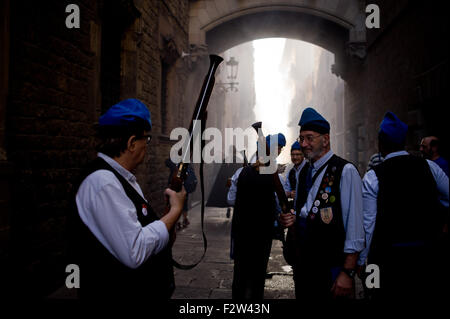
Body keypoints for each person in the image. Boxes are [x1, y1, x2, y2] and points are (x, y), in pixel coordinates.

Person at [69, 98, 186, 300]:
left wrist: (167, 221)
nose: (147, 146)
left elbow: (141, 231)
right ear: (132, 143)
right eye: (146, 140)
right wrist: (176, 211)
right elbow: (135, 250)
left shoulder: (122, 178)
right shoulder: (103, 182)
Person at [357, 112, 449, 301]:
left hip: (386, 261)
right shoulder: (430, 167)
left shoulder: (373, 177)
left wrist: (360, 262)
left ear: (380, 143)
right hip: (427, 257)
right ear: (404, 142)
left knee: (380, 294)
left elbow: (368, 225)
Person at [280, 107, 365, 300]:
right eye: (301, 139)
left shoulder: (345, 171)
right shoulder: (302, 172)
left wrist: (348, 273)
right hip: (304, 267)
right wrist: (290, 218)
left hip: (332, 269)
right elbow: (303, 211)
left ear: (325, 139)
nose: (304, 144)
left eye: (309, 138)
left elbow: (355, 227)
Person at [231, 133, 285, 299]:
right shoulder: (274, 176)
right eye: (276, 149)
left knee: (241, 274)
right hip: (262, 234)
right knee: (257, 276)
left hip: (243, 232)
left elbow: (231, 199)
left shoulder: (242, 172)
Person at [165, 158, 197, 229]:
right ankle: (183, 220)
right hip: (182, 185)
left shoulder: (182, 162)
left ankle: (180, 221)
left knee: (178, 203)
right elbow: (167, 162)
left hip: (179, 185)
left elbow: (179, 174)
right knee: (182, 203)